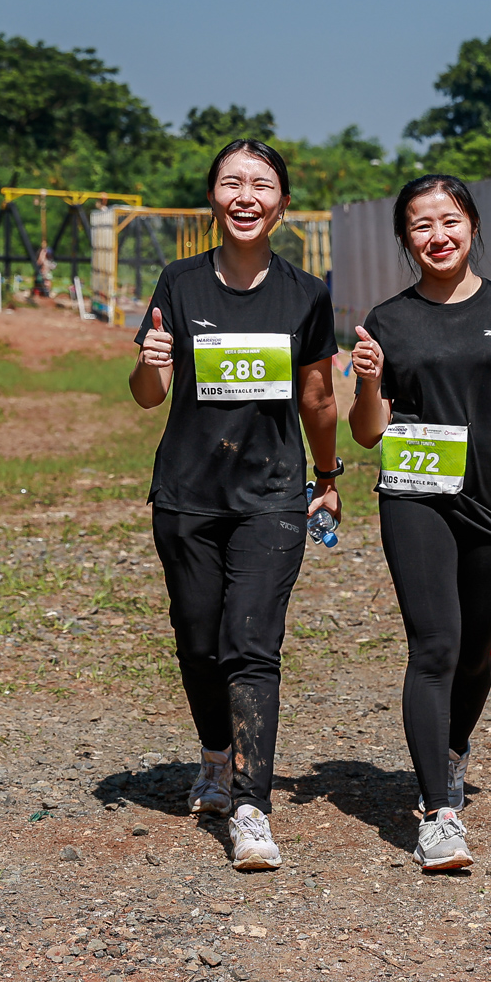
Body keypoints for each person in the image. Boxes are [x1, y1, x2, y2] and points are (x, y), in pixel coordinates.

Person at [129, 139, 341, 870]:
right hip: (187, 493)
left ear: (283, 202)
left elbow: (318, 397)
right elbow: (148, 394)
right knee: (199, 642)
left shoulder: (307, 294)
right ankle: (215, 758)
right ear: (213, 198)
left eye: (262, 184)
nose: (246, 197)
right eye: (232, 183)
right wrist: (149, 365)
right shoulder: (179, 283)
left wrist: (327, 476)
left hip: (272, 496)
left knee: (252, 645)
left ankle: (252, 807)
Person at [348, 174, 491, 870]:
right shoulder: (387, 320)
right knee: (434, 647)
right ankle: (438, 814)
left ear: (472, 226)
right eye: (421, 225)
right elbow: (367, 433)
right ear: (405, 239)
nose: (437, 236)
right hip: (415, 494)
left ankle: (453, 747)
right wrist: (369, 381)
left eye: (449, 220)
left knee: (473, 653)